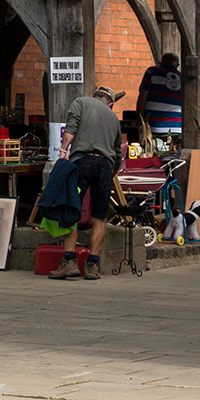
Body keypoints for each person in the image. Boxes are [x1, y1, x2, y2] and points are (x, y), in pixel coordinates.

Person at [53, 85, 121, 279]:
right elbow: (117, 154)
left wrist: (64, 152)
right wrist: (110, 171)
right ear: (111, 103)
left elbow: (71, 129)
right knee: (99, 218)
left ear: (96, 97)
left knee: (71, 210)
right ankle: (92, 266)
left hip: (81, 162)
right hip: (105, 167)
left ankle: (69, 262)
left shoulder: (80, 102)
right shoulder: (114, 117)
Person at [138, 53, 184, 149]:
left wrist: (140, 120)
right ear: (178, 65)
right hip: (177, 127)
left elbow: (142, 98)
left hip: (154, 127)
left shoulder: (152, 72)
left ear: (161, 62)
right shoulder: (183, 78)